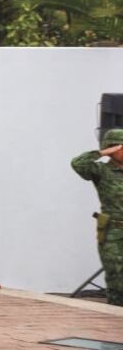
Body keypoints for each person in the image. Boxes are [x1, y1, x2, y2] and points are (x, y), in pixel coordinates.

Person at [71, 128, 123, 306]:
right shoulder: (101, 170)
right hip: (113, 231)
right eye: (119, 148)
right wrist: (101, 153)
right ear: (112, 148)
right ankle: (117, 312)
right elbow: (78, 164)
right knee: (116, 274)